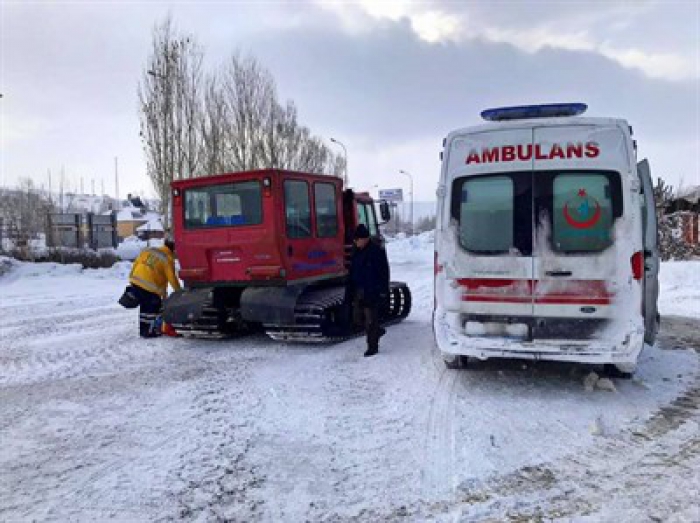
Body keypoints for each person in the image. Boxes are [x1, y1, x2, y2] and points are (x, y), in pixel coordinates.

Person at [347, 224, 390, 357]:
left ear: (364, 239)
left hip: (372, 291)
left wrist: (383, 290)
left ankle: (372, 346)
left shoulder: (376, 251)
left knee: (370, 320)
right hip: (359, 290)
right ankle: (377, 330)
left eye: (357, 239)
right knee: (357, 319)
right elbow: (353, 271)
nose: (355, 242)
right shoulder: (356, 251)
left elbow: (384, 272)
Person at [128, 239, 181, 338]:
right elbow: (172, 279)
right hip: (150, 286)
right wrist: (179, 291)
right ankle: (149, 332)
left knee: (144, 308)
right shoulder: (167, 259)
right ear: (173, 250)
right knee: (151, 310)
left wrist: (131, 279)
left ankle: (143, 331)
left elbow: (136, 263)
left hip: (136, 281)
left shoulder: (149, 251)